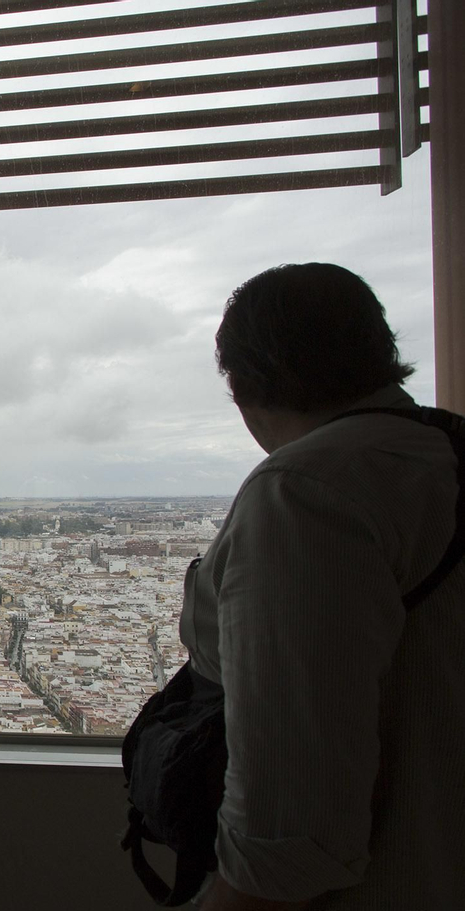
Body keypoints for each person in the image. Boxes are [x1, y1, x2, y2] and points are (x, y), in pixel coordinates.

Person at [187, 263, 465, 909]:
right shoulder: (439, 457)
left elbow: (289, 818)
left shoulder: (303, 491)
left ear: (240, 384)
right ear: (382, 354)